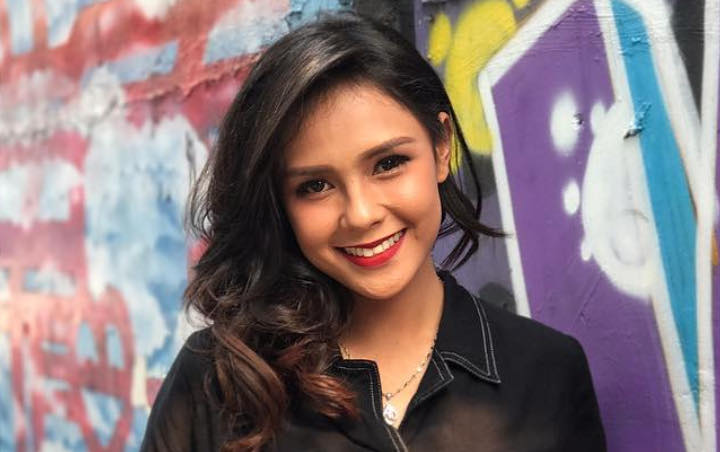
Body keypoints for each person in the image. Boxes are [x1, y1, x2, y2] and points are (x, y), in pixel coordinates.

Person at [139, 12, 606, 452]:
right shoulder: (216, 379)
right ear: (280, 202)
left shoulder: (547, 373)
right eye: (315, 186)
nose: (361, 214)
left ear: (441, 147)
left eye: (388, 163)